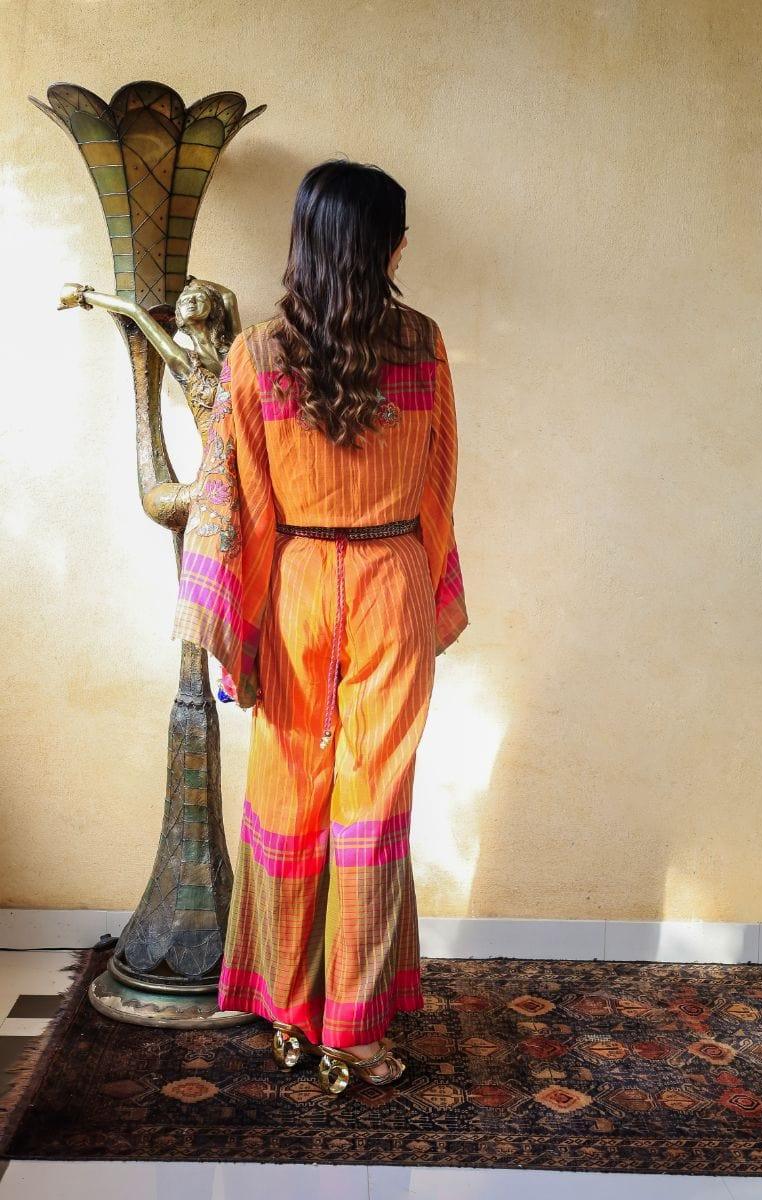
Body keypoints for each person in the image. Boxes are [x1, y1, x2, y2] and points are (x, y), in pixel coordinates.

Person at [172, 159, 468, 1092]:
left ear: (303, 242)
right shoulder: (422, 346)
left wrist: (246, 621)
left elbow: (239, 501)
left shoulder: (256, 356)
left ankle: (289, 1015)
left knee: (288, 790)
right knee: (372, 805)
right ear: (390, 247)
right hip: (392, 577)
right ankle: (357, 1034)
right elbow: (438, 485)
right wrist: (426, 588)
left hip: (296, 580)